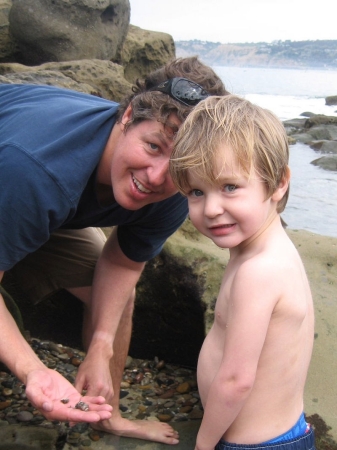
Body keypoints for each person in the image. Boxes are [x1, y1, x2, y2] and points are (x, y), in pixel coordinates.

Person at [0, 57, 228, 444]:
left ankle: (107, 413)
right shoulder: (37, 168)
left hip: (42, 206)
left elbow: (122, 262)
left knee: (117, 298)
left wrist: (101, 347)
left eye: (178, 165)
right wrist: (34, 370)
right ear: (126, 118)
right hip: (15, 180)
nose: (157, 176)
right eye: (153, 146)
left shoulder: (174, 184)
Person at [170, 95, 315, 450]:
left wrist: (203, 443)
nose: (212, 208)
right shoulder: (271, 250)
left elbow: (236, 380)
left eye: (230, 187)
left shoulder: (259, 271)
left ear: (278, 183)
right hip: (283, 431)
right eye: (196, 192)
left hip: (256, 445)